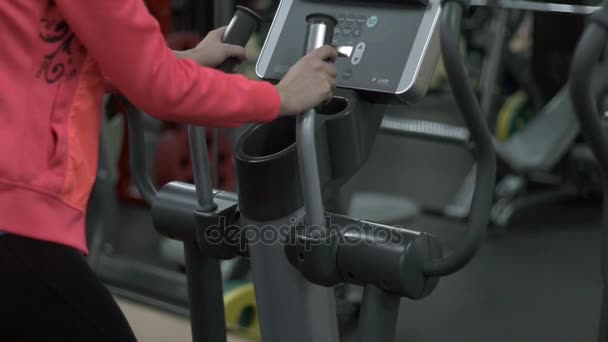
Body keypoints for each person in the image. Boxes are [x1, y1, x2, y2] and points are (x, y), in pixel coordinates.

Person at [0, 0, 338, 341]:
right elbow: (161, 87)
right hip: (17, 218)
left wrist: (186, 60)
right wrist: (283, 96)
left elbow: (64, 54)